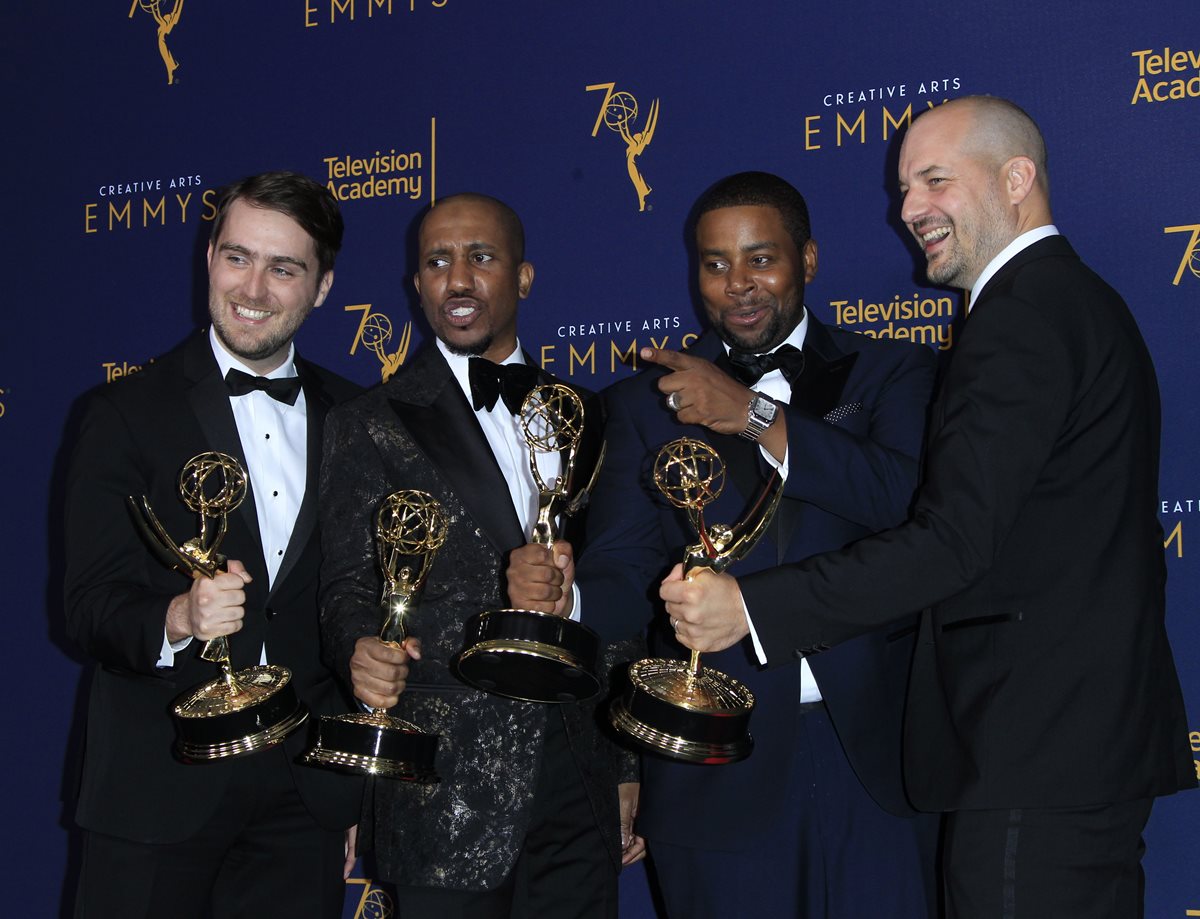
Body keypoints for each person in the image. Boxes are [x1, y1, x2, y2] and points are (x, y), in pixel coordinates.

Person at [662, 97, 1197, 918]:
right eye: (905, 187)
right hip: (1062, 746)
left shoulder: (1021, 317)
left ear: (1017, 179)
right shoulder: (1062, 301)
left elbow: (950, 540)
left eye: (935, 180)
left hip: (1035, 745)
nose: (908, 209)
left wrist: (753, 607)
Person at [511, 171, 939, 918]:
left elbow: (907, 501)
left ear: (807, 260)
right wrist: (566, 594)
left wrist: (753, 414)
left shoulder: (894, 369)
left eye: (760, 259)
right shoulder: (642, 407)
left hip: (874, 758)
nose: (737, 285)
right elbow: (623, 569)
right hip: (713, 767)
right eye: (714, 264)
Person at [318, 192, 643, 919]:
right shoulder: (368, 425)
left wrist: (626, 763)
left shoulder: (590, 414)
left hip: (577, 780)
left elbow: (619, 590)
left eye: (481, 257)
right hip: (443, 789)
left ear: (523, 277)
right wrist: (357, 653)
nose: (457, 279)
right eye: (437, 262)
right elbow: (345, 594)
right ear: (416, 285)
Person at [64, 170, 364, 918]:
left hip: (303, 801)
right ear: (208, 258)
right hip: (155, 789)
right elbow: (85, 607)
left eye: (283, 267)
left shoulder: (360, 418)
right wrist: (178, 619)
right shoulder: (122, 414)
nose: (252, 287)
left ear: (323, 286)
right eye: (236, 257)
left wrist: (353, 782)